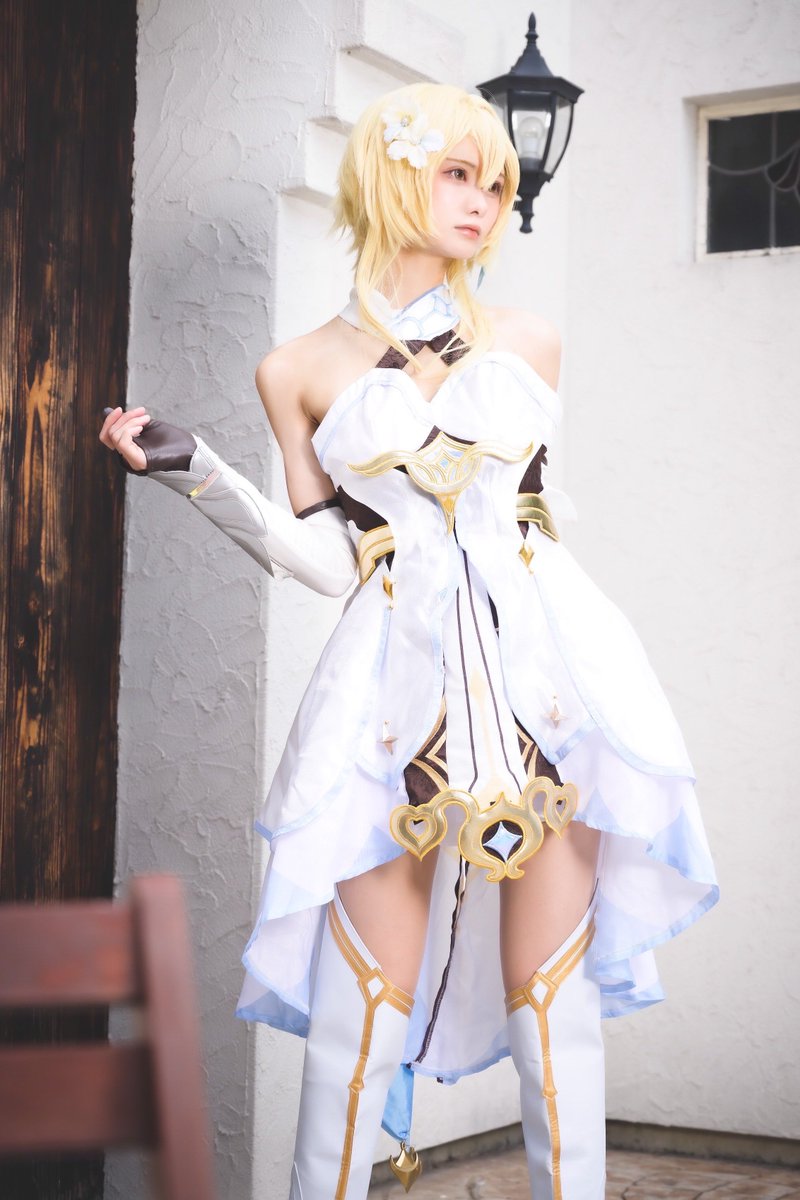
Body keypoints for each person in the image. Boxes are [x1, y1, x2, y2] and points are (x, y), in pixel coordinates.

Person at [100, 82, 718, 1200]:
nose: (482, 202)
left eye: (495, 184)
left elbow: (523, 529)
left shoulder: (528, 342)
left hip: (552, 696)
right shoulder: (294, 369)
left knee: (555, 1017)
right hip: (391, 706)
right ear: (392, 178)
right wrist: (196, 473)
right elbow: (333, 561)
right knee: (357, 1023)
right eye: (457, 174)